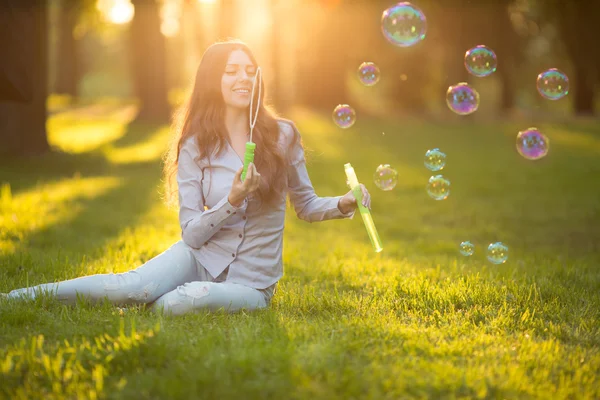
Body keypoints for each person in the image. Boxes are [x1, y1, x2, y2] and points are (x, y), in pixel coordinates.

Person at [3, 40, 372, 316]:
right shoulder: (196, 144)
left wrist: (343, 203)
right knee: (130, 285)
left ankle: (151, 305)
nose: (243, 76)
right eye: (231, 70)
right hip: (201, 256)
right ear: (214, 80)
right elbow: (192, 234)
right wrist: (232, 201)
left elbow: (305, 205)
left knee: (172, 304)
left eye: (249, 69)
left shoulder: (284, 135)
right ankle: (17, 299)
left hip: (251, 283)